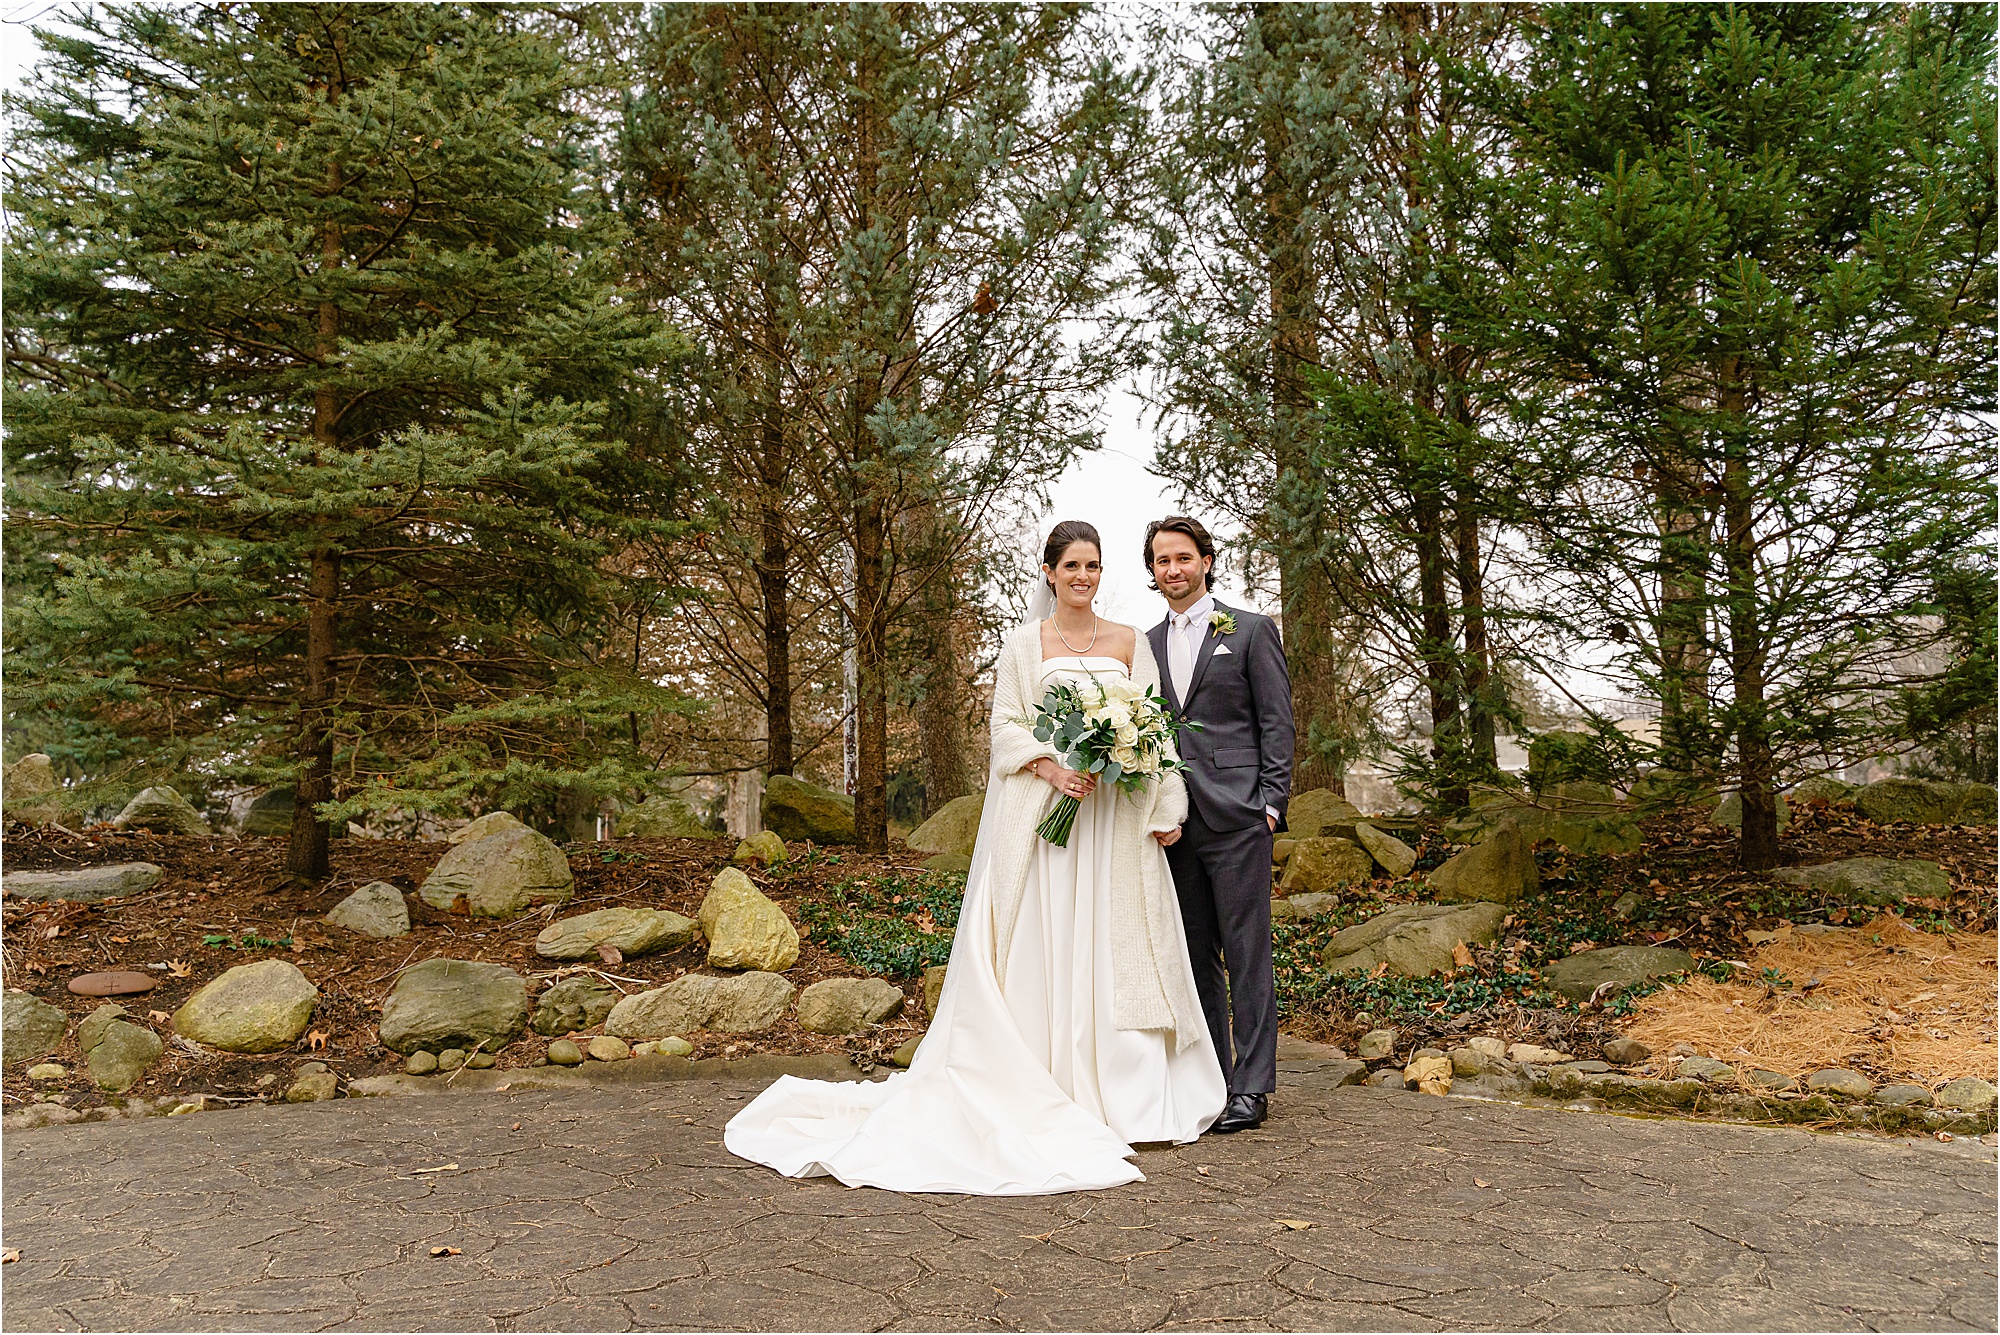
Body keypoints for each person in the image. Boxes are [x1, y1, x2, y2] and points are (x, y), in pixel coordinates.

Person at [724, 520, 1226, 1195]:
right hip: (1049, 825)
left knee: (1114, 945)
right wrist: (1050, 767)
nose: (1084, 577)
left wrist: (1165, 805)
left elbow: (1156, 728)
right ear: (1048, 572)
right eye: (1072, 565)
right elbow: (1005, 726)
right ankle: (1047, 1082)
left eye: (1094, 566)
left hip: (1112, 822)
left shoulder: (1132, 642)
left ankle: (1128, 1097)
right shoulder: (1024, 645)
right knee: (1050, 945)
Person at [1144, 515, 1295, 1134]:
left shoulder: (1252, 631)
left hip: (1238, 817)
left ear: (1205, 560)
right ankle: (1216, 1081)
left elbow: (1276, 722)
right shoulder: (1144, 644)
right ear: (1152, 572)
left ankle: (1254, 1089)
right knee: (1195, 958)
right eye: (1161, 561)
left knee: (1248, 953)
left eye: (1183, 557)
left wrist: (1270, 803)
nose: (1173, 569)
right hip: (1175, 824)